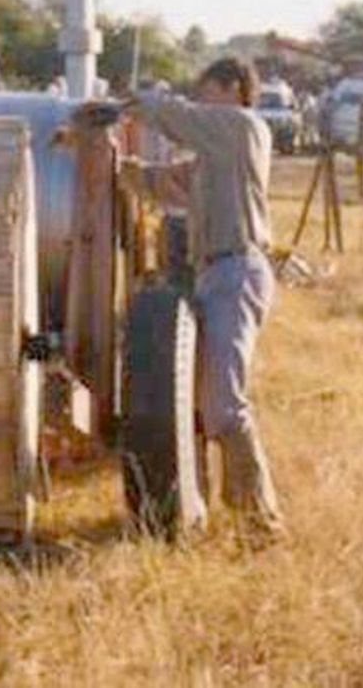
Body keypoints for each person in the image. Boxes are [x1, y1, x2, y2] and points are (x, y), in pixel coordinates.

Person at [93, 56, 284, 536]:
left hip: (237, 269)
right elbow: (160, 183)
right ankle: (204, 509)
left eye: (206, 92)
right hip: (217, 274)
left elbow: (183, 120)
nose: (200, 102)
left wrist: (135, 104)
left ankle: (261, 520)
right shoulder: (215, 157)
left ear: (234, 88)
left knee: (223, 404)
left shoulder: (243, 128)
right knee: (202, 404)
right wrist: (110, 159)